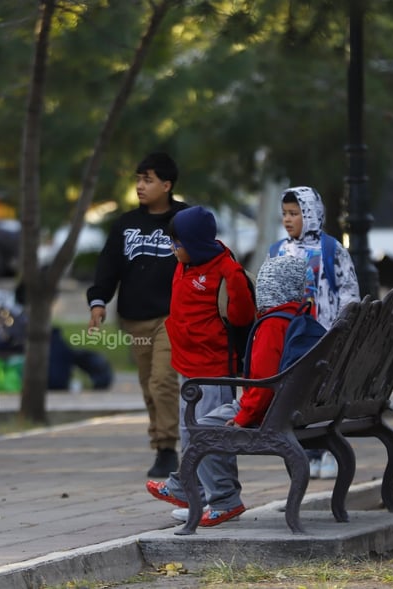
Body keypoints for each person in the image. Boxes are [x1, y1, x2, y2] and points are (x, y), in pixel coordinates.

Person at [147, 254, 308, 526]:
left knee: (203, 429)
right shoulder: (300, 316)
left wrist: (243, 418)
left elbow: (264, 383)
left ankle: (224, 500)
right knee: (211, 420)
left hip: (270, 411)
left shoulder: (272, 326)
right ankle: (181, 485)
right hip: (294, 405)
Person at [145, 205, 256, 515]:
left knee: (210, 436)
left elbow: (241, 315)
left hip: (213, 370)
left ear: (194, 243)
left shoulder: (226, 271)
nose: (172, 249)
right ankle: (196, 495)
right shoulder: (187, 262)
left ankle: (221, 497)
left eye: (177, 244)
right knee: (189, 430)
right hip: (188, 366)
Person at [87, 152, 188, 478]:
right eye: (138, 179)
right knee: (148, 385)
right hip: (135, 318)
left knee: (162, 380)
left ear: (167, 184)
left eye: (148, 180)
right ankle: (162, 443)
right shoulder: (126, 224)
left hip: (172, 317)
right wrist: (99, 301)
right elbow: (108, 266)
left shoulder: (185, 220)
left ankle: (167, 447)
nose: (140, 186)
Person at [269, 185, 360, 479]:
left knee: (323, 395)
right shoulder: (278, 251)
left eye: (294, 213)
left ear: (311, 214)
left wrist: (343, 330)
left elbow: (348, 293)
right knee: (295, 395)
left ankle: (328, 450)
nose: (287, 219)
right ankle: (306, 452)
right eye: (284, 213)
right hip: (291, 340)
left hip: (324, 336)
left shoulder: (332, 250)